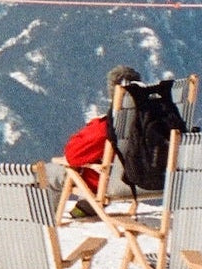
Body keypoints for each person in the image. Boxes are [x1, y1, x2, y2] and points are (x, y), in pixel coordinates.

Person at [55, 64, 142, 219]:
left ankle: (43, 220)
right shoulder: (156, 125)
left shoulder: (109, 127)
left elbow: (72, 155)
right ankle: (84, 209)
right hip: (143, 182)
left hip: (104, 183)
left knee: (51, 172)